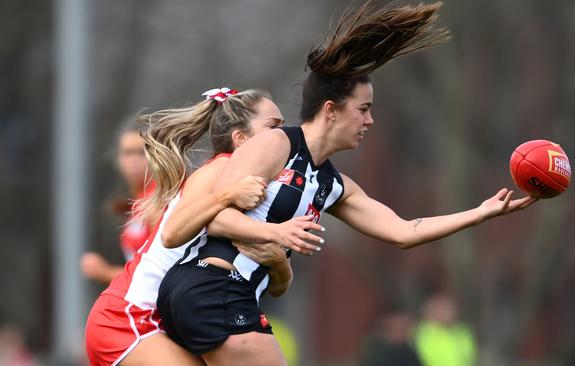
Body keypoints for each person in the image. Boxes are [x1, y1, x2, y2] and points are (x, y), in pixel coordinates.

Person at [157, 2, 537, 366]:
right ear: (330, 110)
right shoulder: (276, 144)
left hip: (215, 295)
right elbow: (215, 217)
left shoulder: (335, 185)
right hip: (212, 284)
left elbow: (405, 231)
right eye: (364, 109)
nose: (370, 121)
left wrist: (481, 213)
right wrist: (277, 233)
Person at [85, 88, 306, 366]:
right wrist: (226, 196)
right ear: (240, 138)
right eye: (273, 127)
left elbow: (277, 286)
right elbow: (171, 234)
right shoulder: (222, 170)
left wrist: (280, 264)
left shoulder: (263, 189)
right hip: (129, 319)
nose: (283, 135)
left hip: (166, 321)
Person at [80, 122, 153, 284]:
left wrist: (106, 272)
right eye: (127, 152)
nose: (134, 160)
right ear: (118, 158)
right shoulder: (135, 201)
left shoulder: (158, 200)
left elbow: (157, 273)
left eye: (142, 152)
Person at [413, 293, 475, 366]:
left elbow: (470, 357)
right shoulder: (422, 334)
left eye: (449, 307)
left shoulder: (463, 331)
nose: (446, 311)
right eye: (440, 307)